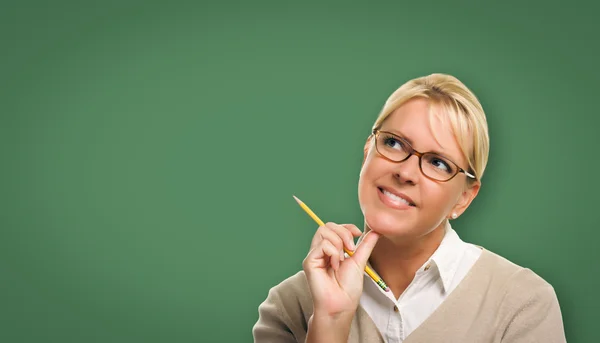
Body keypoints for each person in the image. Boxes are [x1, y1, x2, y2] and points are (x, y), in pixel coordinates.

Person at [252, 73, 566, 342]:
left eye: (438, 163)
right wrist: (330, 324)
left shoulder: (522, 304)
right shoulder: (290, 306)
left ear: (464, 198)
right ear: (367, 153)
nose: (405, 172)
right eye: (393, 143)